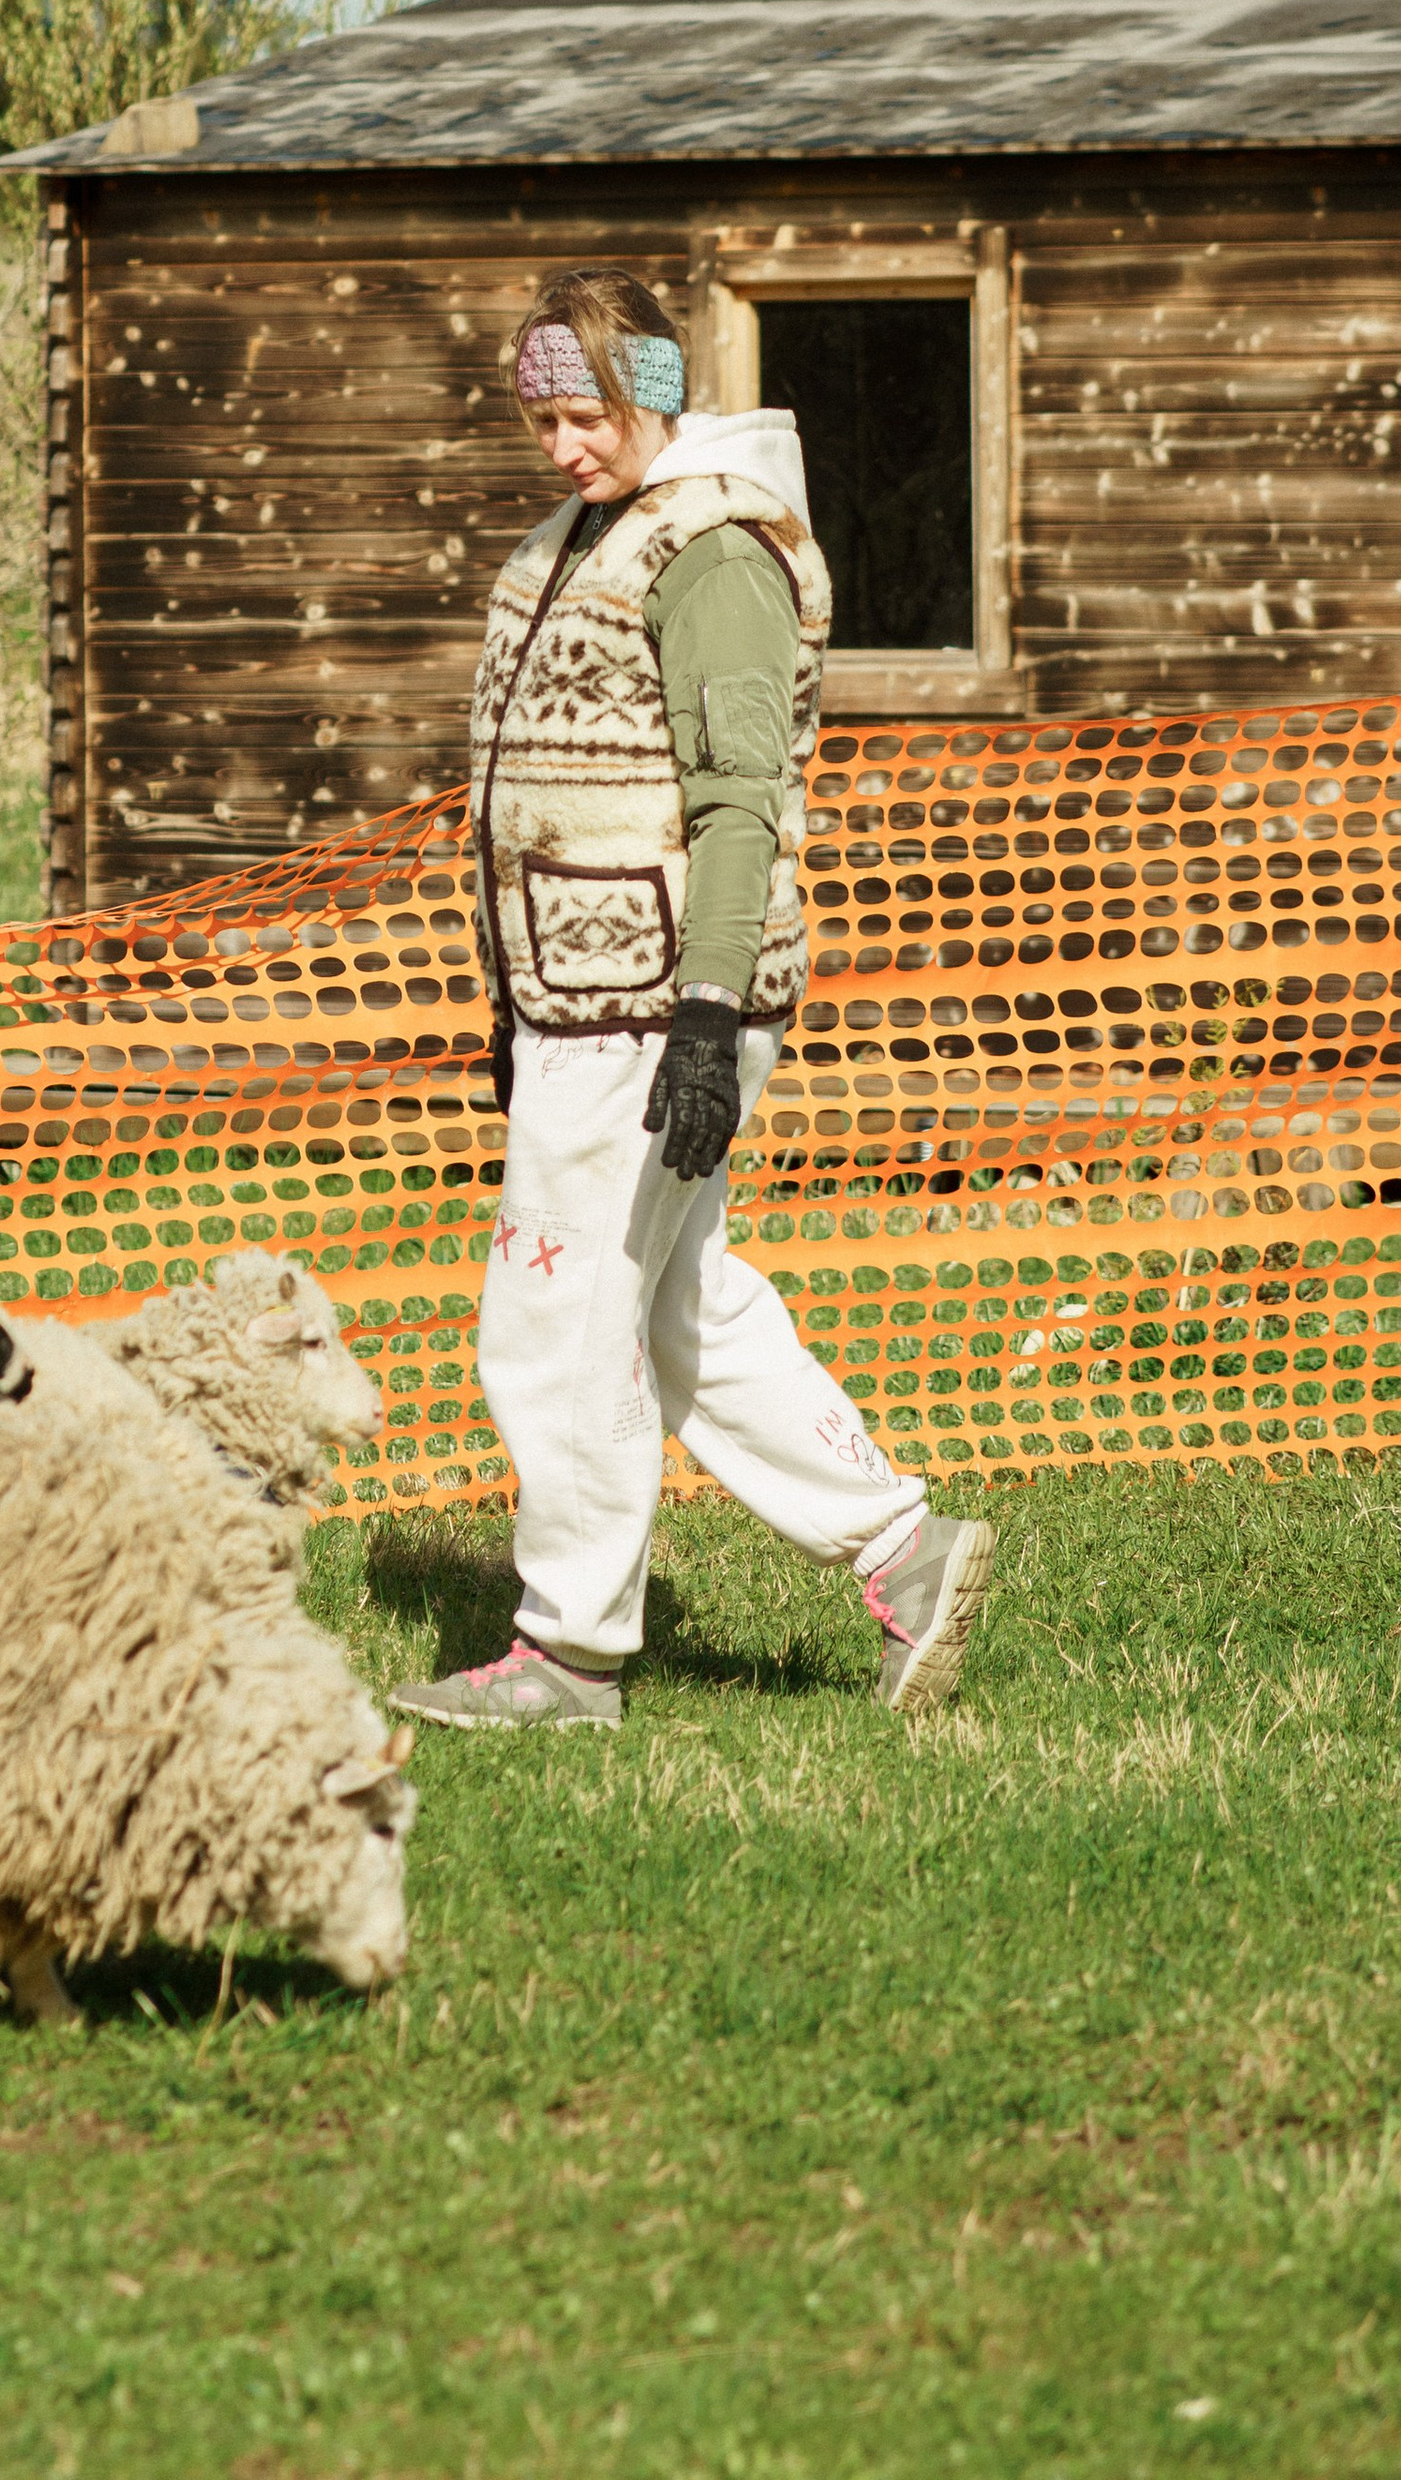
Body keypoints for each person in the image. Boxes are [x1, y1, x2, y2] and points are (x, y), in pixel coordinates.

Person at [390, 265, 992, 1733]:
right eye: (542, 419)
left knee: (556, 1307)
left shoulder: (715, 555)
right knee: (679, 1311)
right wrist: (513, 1005)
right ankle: (907, 1554)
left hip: (660, 1002)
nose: (563, 447)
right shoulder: (585, 535)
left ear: (654, 396)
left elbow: (742, 806)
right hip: (583, 1002)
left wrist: (710, 1015)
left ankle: (570, 1655)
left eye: (587, 414)